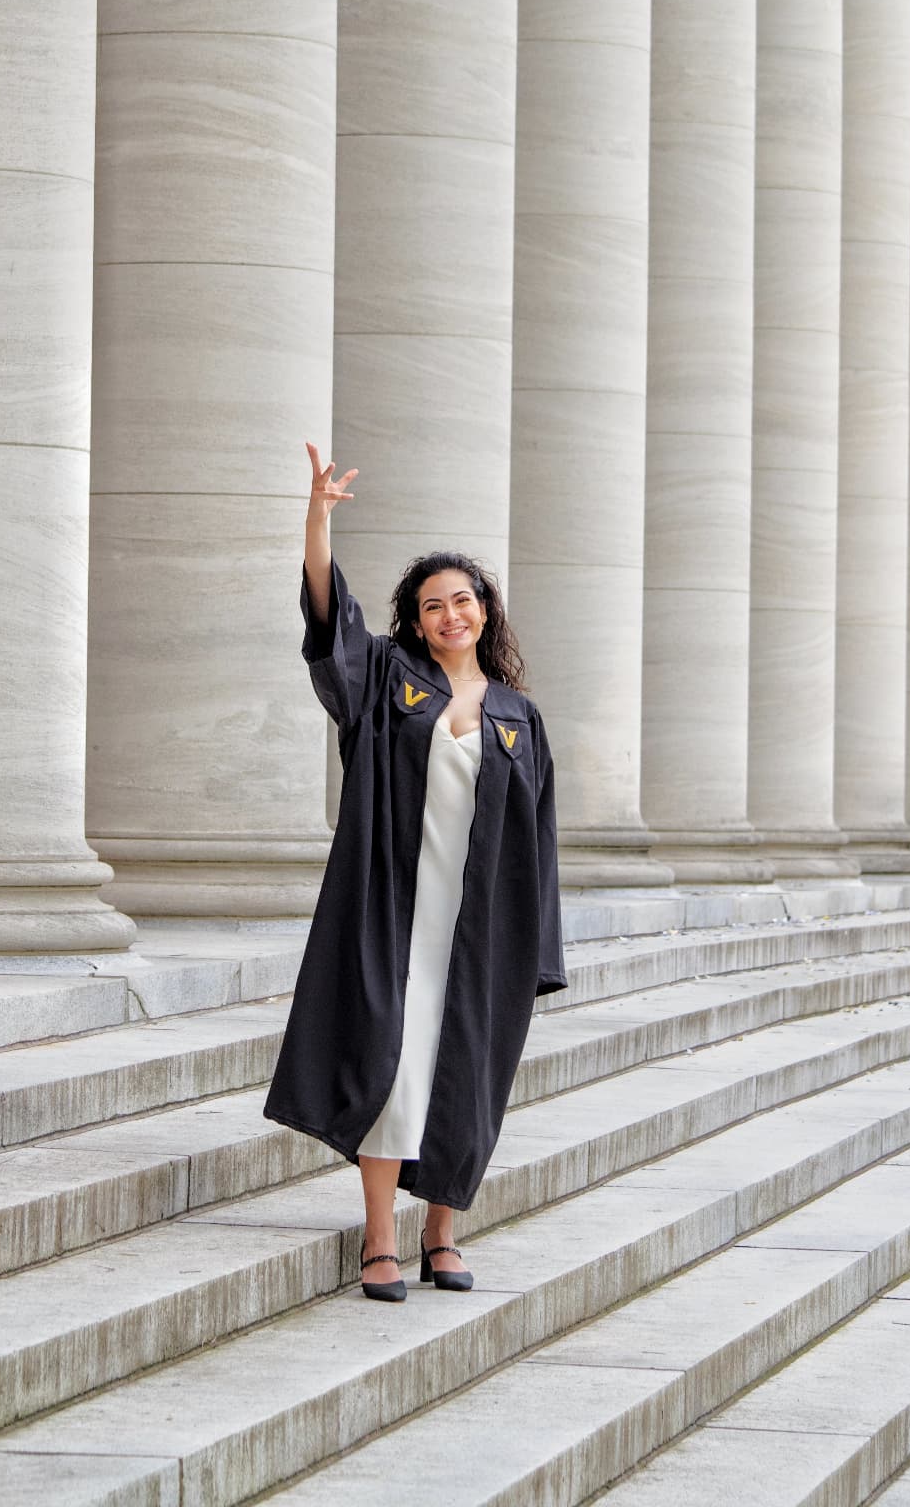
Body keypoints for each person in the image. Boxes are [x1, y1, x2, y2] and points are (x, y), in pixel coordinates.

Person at [263, 443, 566, 1300]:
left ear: (485, 611)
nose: (449, 615)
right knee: (391, 1066)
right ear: (415, 620)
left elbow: (539, 840)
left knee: (463, 1075)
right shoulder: (390, 680)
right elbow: (331, 628)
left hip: (480, 935)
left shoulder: (520, 718)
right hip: (395, 913)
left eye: (462, 600)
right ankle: (379, 1238)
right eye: (432, 605)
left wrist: (539, 950)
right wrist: (317, 522)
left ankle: (443, 1232)